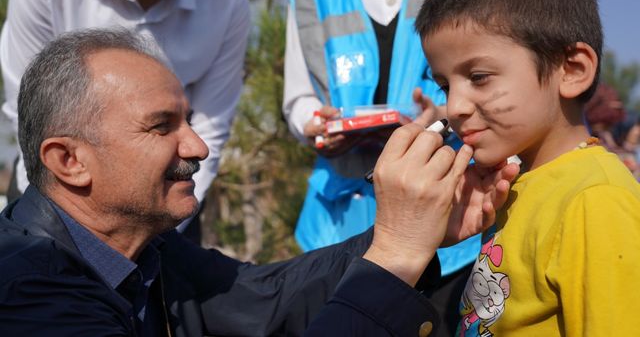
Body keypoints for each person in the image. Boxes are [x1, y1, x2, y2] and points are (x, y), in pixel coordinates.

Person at [0, 28, 520, 336]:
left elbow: (267, 297)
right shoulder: (27, 294)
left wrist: (410, 231)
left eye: (189, 121)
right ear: (69, 160)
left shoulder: (148, 254)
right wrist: (396, 255)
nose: (198, 148)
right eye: (162, 126)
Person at [414, 0, 640, 335]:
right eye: (444, 86)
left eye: (478, 78)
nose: (454, 106)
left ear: (571, 69)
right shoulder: (515, 182)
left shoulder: (596, 200)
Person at [0, 0, 250, 237]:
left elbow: (211, 129)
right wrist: (59, 235)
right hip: (51, 196)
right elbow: (30, 121)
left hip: (173, 203)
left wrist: (166, 231)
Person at [282, 0, 477, 299]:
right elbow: (298, 96)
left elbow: (492, 76)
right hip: (340, 220)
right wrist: (313, 125)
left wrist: (442, 115)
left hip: (450, 221)